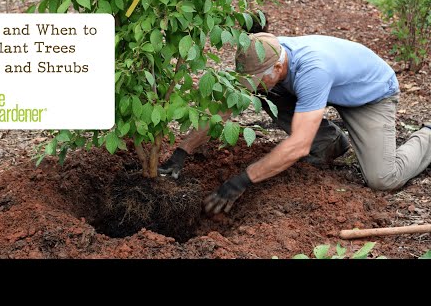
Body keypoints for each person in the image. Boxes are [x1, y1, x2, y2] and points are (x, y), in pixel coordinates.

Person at [159, 33, 431, 215]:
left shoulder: (313, 71)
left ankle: (428, 136)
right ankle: (331, 141)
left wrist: (243, 179)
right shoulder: (266, 52)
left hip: (369, 96)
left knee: (383, 178)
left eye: (256, 80)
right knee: (265, 93)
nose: (250, 88)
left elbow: (298, 145)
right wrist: (182, 152)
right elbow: (225, 107)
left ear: (278, 68)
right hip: (328, 87)